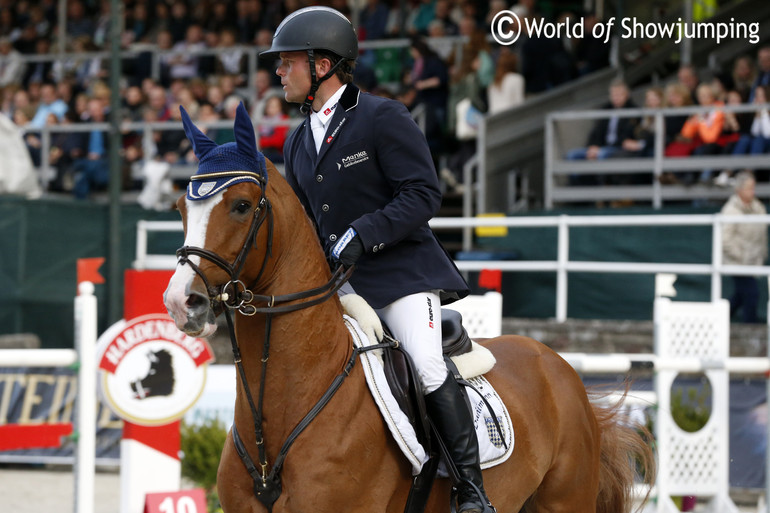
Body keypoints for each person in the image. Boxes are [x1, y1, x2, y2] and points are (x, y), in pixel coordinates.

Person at [260, 7, 494, 513]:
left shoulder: (381, 116)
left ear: (322, 65)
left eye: (287, 62)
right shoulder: (297, 138)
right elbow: (303, 221)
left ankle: (470, 491)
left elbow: (422, 193)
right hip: (339, 285)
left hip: (399, 277)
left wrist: (362, 234)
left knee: (426, 362)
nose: (279, 71)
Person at [721, 171, 768, 323]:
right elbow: (725, 239)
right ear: (739, 190)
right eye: (748, 188)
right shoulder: (730, 210)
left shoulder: (758, 207)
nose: (752, 192)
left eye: (753, 188)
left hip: (753, 261)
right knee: (751, 294)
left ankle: (719, 319)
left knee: (740, 296)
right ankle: (750, 329)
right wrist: (741, 255)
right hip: (737, 262)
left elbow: (761, 234)